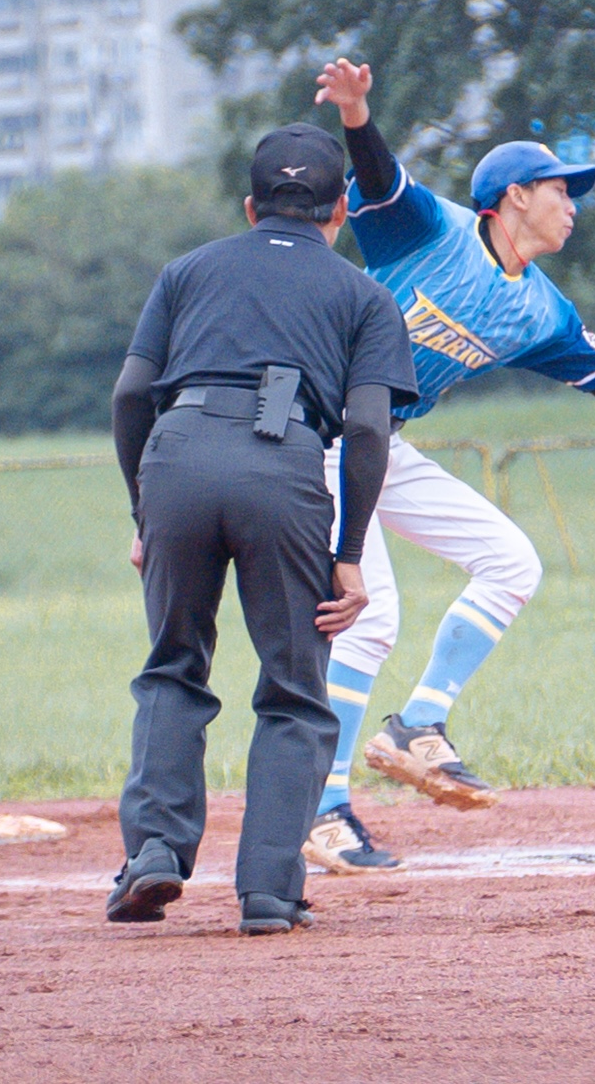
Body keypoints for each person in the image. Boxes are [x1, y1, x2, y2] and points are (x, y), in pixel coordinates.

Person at [299, 59, 595, 877]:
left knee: (510, 562)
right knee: (374, 614)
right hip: (316, 431)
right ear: (512, 197)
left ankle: (416, 728)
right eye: (557, 189)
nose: (570, 205)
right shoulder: (431, 229)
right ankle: (322, 810)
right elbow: (379, 179)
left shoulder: (541, 309)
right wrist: (359, 112)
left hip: (380, 441)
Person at [106, 123, 418, 935]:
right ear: (340, 208)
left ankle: (154, 854)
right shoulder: (364, 295)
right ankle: (270, 892)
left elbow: (130, 397)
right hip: (281, 463)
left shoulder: (186, 271)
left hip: (175, 455)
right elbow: (370, 430)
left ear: (250, 206)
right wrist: (348, 556)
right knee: (291, 688)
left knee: (173, 667)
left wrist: (146, 511)